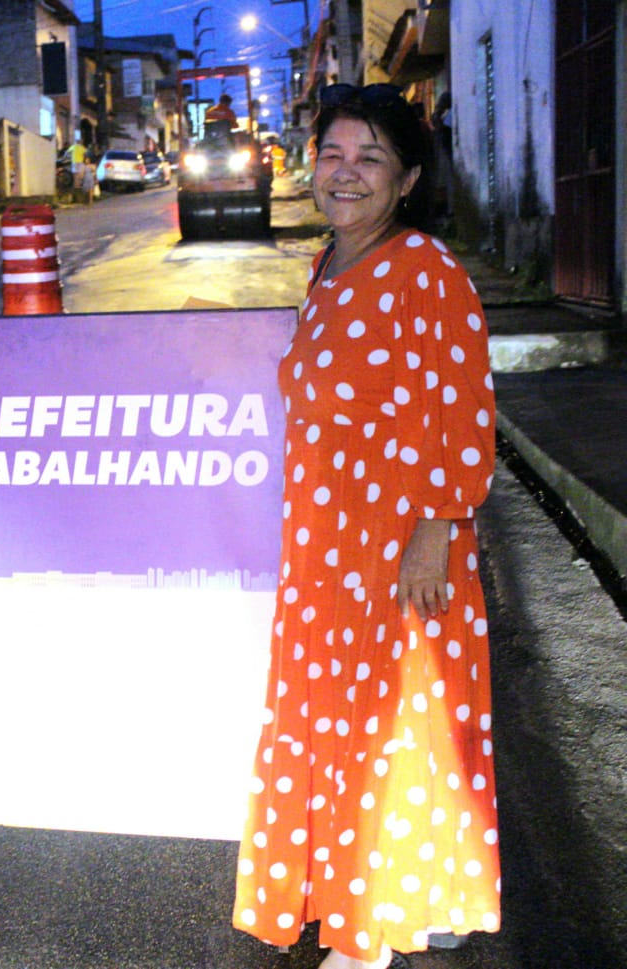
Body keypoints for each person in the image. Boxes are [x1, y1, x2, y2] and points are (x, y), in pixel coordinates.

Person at [231, 82, 501, 969]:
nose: (346, 173)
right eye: (334, 154)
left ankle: (371, 930)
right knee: (340, 721)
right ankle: (382, 897)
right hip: (325, 545)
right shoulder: (327, 265)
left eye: (371, 158)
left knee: (390, 724)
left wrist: (438, 528)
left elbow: (465, 411)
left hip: (397, 546)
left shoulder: (426, 269)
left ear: (408, 178)